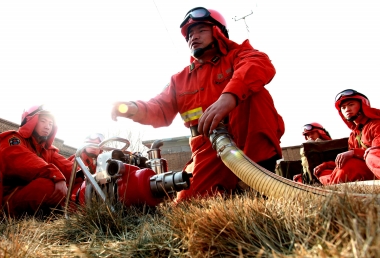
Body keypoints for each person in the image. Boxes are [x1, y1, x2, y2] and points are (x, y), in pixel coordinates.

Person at [111, 7, 285, 201]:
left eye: (201, 30)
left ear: (218, 32)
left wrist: (229, 97)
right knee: (187, 204)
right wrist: (133, 108)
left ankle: (257, 181)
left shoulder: (238, 56)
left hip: (248, 144)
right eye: (190, 34)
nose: (194, 36)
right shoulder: (180, 79)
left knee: (255, 92)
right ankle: (230, 191)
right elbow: (160, 107)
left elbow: (259, 63)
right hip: (208, 149)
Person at [0, 105, 79, 216]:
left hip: (33, 196)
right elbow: (24, 160)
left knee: (75, 188)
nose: (47, 127)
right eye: (43, 121)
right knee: (49, 186)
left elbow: (67, 166)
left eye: (50, 124)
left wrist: (87, 175)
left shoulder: (47, 149)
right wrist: (55, 175)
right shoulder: (13, 139)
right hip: (11, 197)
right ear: (31, 121)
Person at [314, 89, 380, 185]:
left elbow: (377, 153)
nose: (347, 109)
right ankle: (335, 186)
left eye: (351, 104)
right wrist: (327, 165)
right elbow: (351, 160)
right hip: (364, 170)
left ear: (363, 105)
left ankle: (334, 187)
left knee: (370, 154)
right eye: (343, 107)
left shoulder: (376, 125)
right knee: (323, 171)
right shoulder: (353, 136)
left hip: (374, 166)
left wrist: (354, 153)